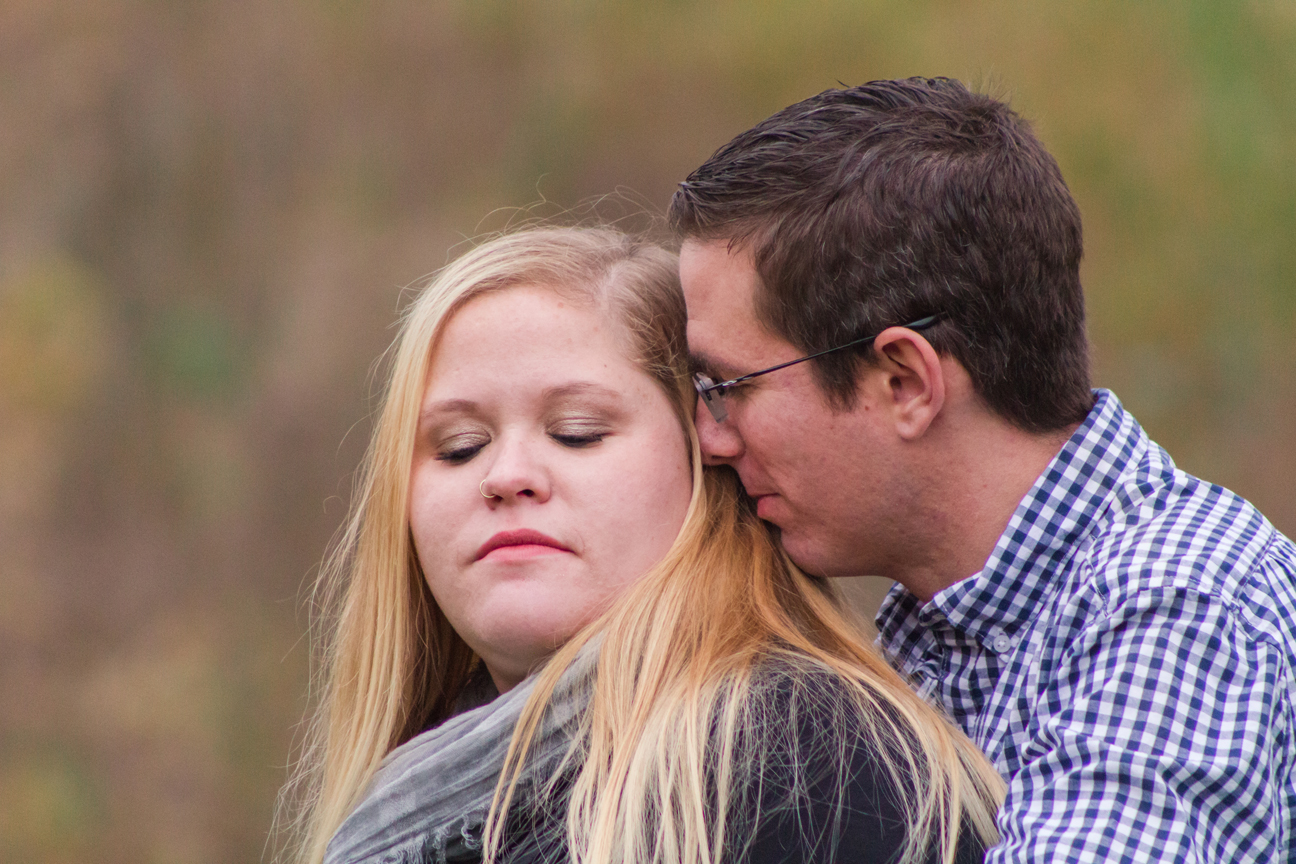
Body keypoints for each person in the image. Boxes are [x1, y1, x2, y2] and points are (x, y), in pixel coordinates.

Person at [669, 77, 1296, 864]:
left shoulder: (1181, 602)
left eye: (728, 387)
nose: (709, 439)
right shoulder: (948, 631)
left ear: (905, 382)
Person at [276, 226, 1005, 864]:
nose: (506, 476)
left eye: (577, 433)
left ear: (706, 457)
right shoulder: (407, 804)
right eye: (459, 446)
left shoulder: (818, 771)